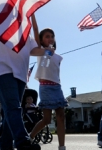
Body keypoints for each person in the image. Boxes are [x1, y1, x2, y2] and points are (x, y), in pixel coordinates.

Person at [0, 14, 50, 150]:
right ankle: (22, 142)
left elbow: (35, 50)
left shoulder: (26, 32)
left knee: (9, 112)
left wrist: (46, 50)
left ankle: (5, 145)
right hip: (2, 69)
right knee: (13, 107)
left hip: (21, 74)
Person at [29, 16, 68, 150]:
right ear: (41, 39)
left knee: (61, 116)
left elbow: (56, 74)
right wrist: (33, 15)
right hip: (45, 88)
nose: (50, 38)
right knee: (47, 119)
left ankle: (62, 146)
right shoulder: (41, 51)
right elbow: (35, 29)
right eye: (47, 36)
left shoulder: (58, 57)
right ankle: (31, 136)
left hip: (57, 87)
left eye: (52, 36)